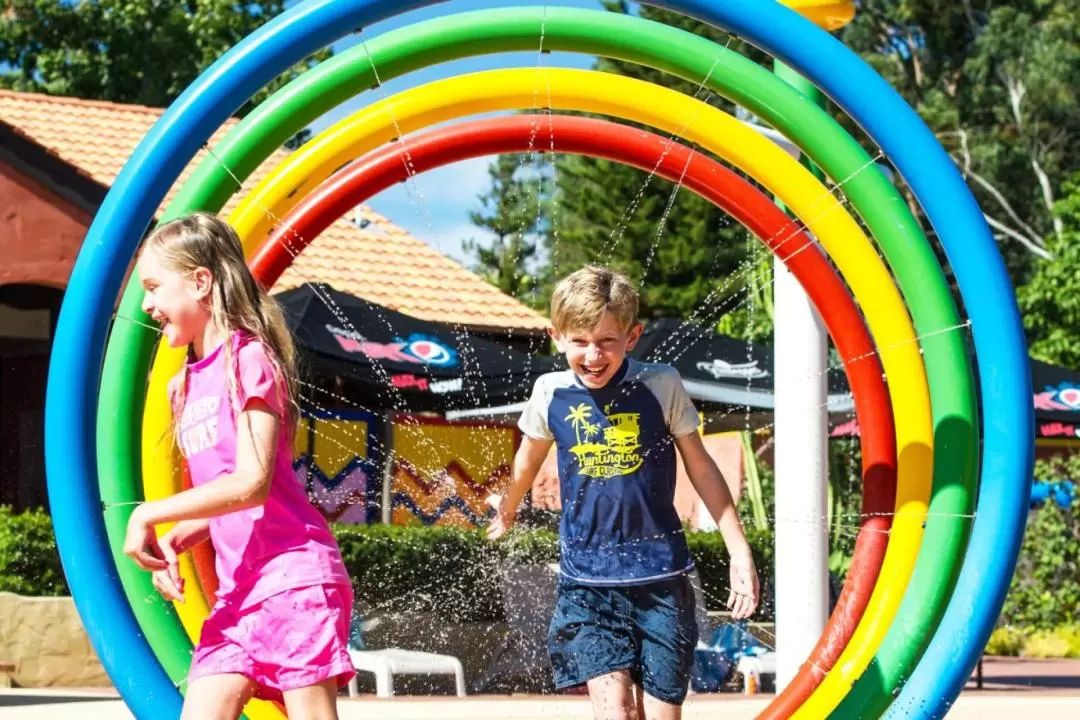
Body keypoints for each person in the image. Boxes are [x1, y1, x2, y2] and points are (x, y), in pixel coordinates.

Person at [488, 266, 759, 720]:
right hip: (588, 584)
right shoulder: (549, 393)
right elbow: (528, 460)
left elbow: (701, 466)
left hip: (662, 580)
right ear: (556, 336)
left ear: (631, 337)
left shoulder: (660, 384)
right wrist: (509, 507)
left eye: (606, 341)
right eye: (580, 341)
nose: (593, 355)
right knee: (617, 713)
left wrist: (739, 551)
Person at [123, 212, 354, 720]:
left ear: (201, 282)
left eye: (154, 287)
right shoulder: (183, 385)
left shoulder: (248, 359)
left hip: (293, 579)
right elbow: (232, 495)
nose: (146, 304)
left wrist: (149, 513)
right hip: (239, 591)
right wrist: (182, 534)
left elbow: (251, 483)